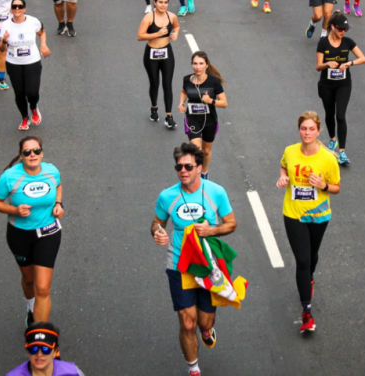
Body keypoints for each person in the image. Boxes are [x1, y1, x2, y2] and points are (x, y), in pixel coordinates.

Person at [151, 142, 237, 376]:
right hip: (179, 263)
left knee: (204, 323)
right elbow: (157, 223)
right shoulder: (167, 196)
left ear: (200, 167)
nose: (183, 170)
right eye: (179, 166)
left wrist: (212, 230)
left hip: (207, 265)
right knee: (187, 322)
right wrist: (158, 233)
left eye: (188, 166)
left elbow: (231, 224)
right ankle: (193, 368)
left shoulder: (215, 192)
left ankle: (207, 332)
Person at [276, 111, 341, 334]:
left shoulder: (328, 158)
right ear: (299, 130)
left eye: (311, 129)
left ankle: (307, 280)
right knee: (303, 260)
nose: (307, 132)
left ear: (319, 131)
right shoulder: (290, 151)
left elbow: (337, 188)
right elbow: (284, 165)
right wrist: (283, 176)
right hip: (293, 213)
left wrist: (323, 185)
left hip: (319, 215)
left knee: (312, 256)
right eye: (304, 128)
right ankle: (306, 311)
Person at [0, 136, 64, 326]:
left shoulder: (51, 171)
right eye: (27, 152)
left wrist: (58, 203)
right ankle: (31, 309)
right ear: (21, 156)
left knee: (43, 288)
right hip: (20, 235)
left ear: (42, 152)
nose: (33, 155)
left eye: (36, 151)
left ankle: (41, 336)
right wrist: (14, 210)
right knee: (29, 280)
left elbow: (58, 185)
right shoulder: (9, 177)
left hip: (48, 232)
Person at [316, 11, 365, 165]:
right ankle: (333, 139)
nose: (342, 32)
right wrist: (327, 64)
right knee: (329, 113)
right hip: (326, 84)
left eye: (345, 29)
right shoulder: (323, 43)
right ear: (332, 27)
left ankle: (342, 152)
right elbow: (318, 66)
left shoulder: (348, 42)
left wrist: (349, 63)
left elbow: (363, 58)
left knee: (341, 116)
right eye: (340, 29)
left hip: (343, 84)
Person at [0, 0, 51, 130]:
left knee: (32, 92)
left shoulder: (33, 21)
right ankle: (24, 118)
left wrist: (43, 44)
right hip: (13, 63)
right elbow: (1, 49)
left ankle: (33, 107)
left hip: (32, 61)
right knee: (19, 93)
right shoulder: (5, 25)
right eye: (14, 7)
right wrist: (4, 40)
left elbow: (42, 32)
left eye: (20, 6)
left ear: (24, 9)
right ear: (11, 9)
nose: (17, 9)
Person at [178, 51, 227, 180]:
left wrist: (211, 101)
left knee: (206, 152)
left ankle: (204, 172)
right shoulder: (187, 79)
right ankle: (197, 176)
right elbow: (184, 91)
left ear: (206, 65)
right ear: (191, 65)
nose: (197, 67)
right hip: (193, 119)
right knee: (196, 151)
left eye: (201, 64)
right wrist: (181, 102)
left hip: (209, 121)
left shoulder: (214, 82)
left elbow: (224, 103)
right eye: (195, 64)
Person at [137, 0, 180, 129]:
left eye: (166, 2)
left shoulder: (171, 16)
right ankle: (154, 108)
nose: (163, 5)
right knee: (155, 83)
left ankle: (169, 116)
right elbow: (140, 36)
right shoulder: (149, 17)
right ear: (154, 3)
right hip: (151, 54)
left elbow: (176, 26)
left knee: (167, 84)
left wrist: (175, 34)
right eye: (160, 2)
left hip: (167, 53)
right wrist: (157, 34)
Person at [6, 322, 85, 376]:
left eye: (45, 349)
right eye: (34, 348)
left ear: (55, 351)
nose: (39, 354)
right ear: (27, 350)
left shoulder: (72, 372)